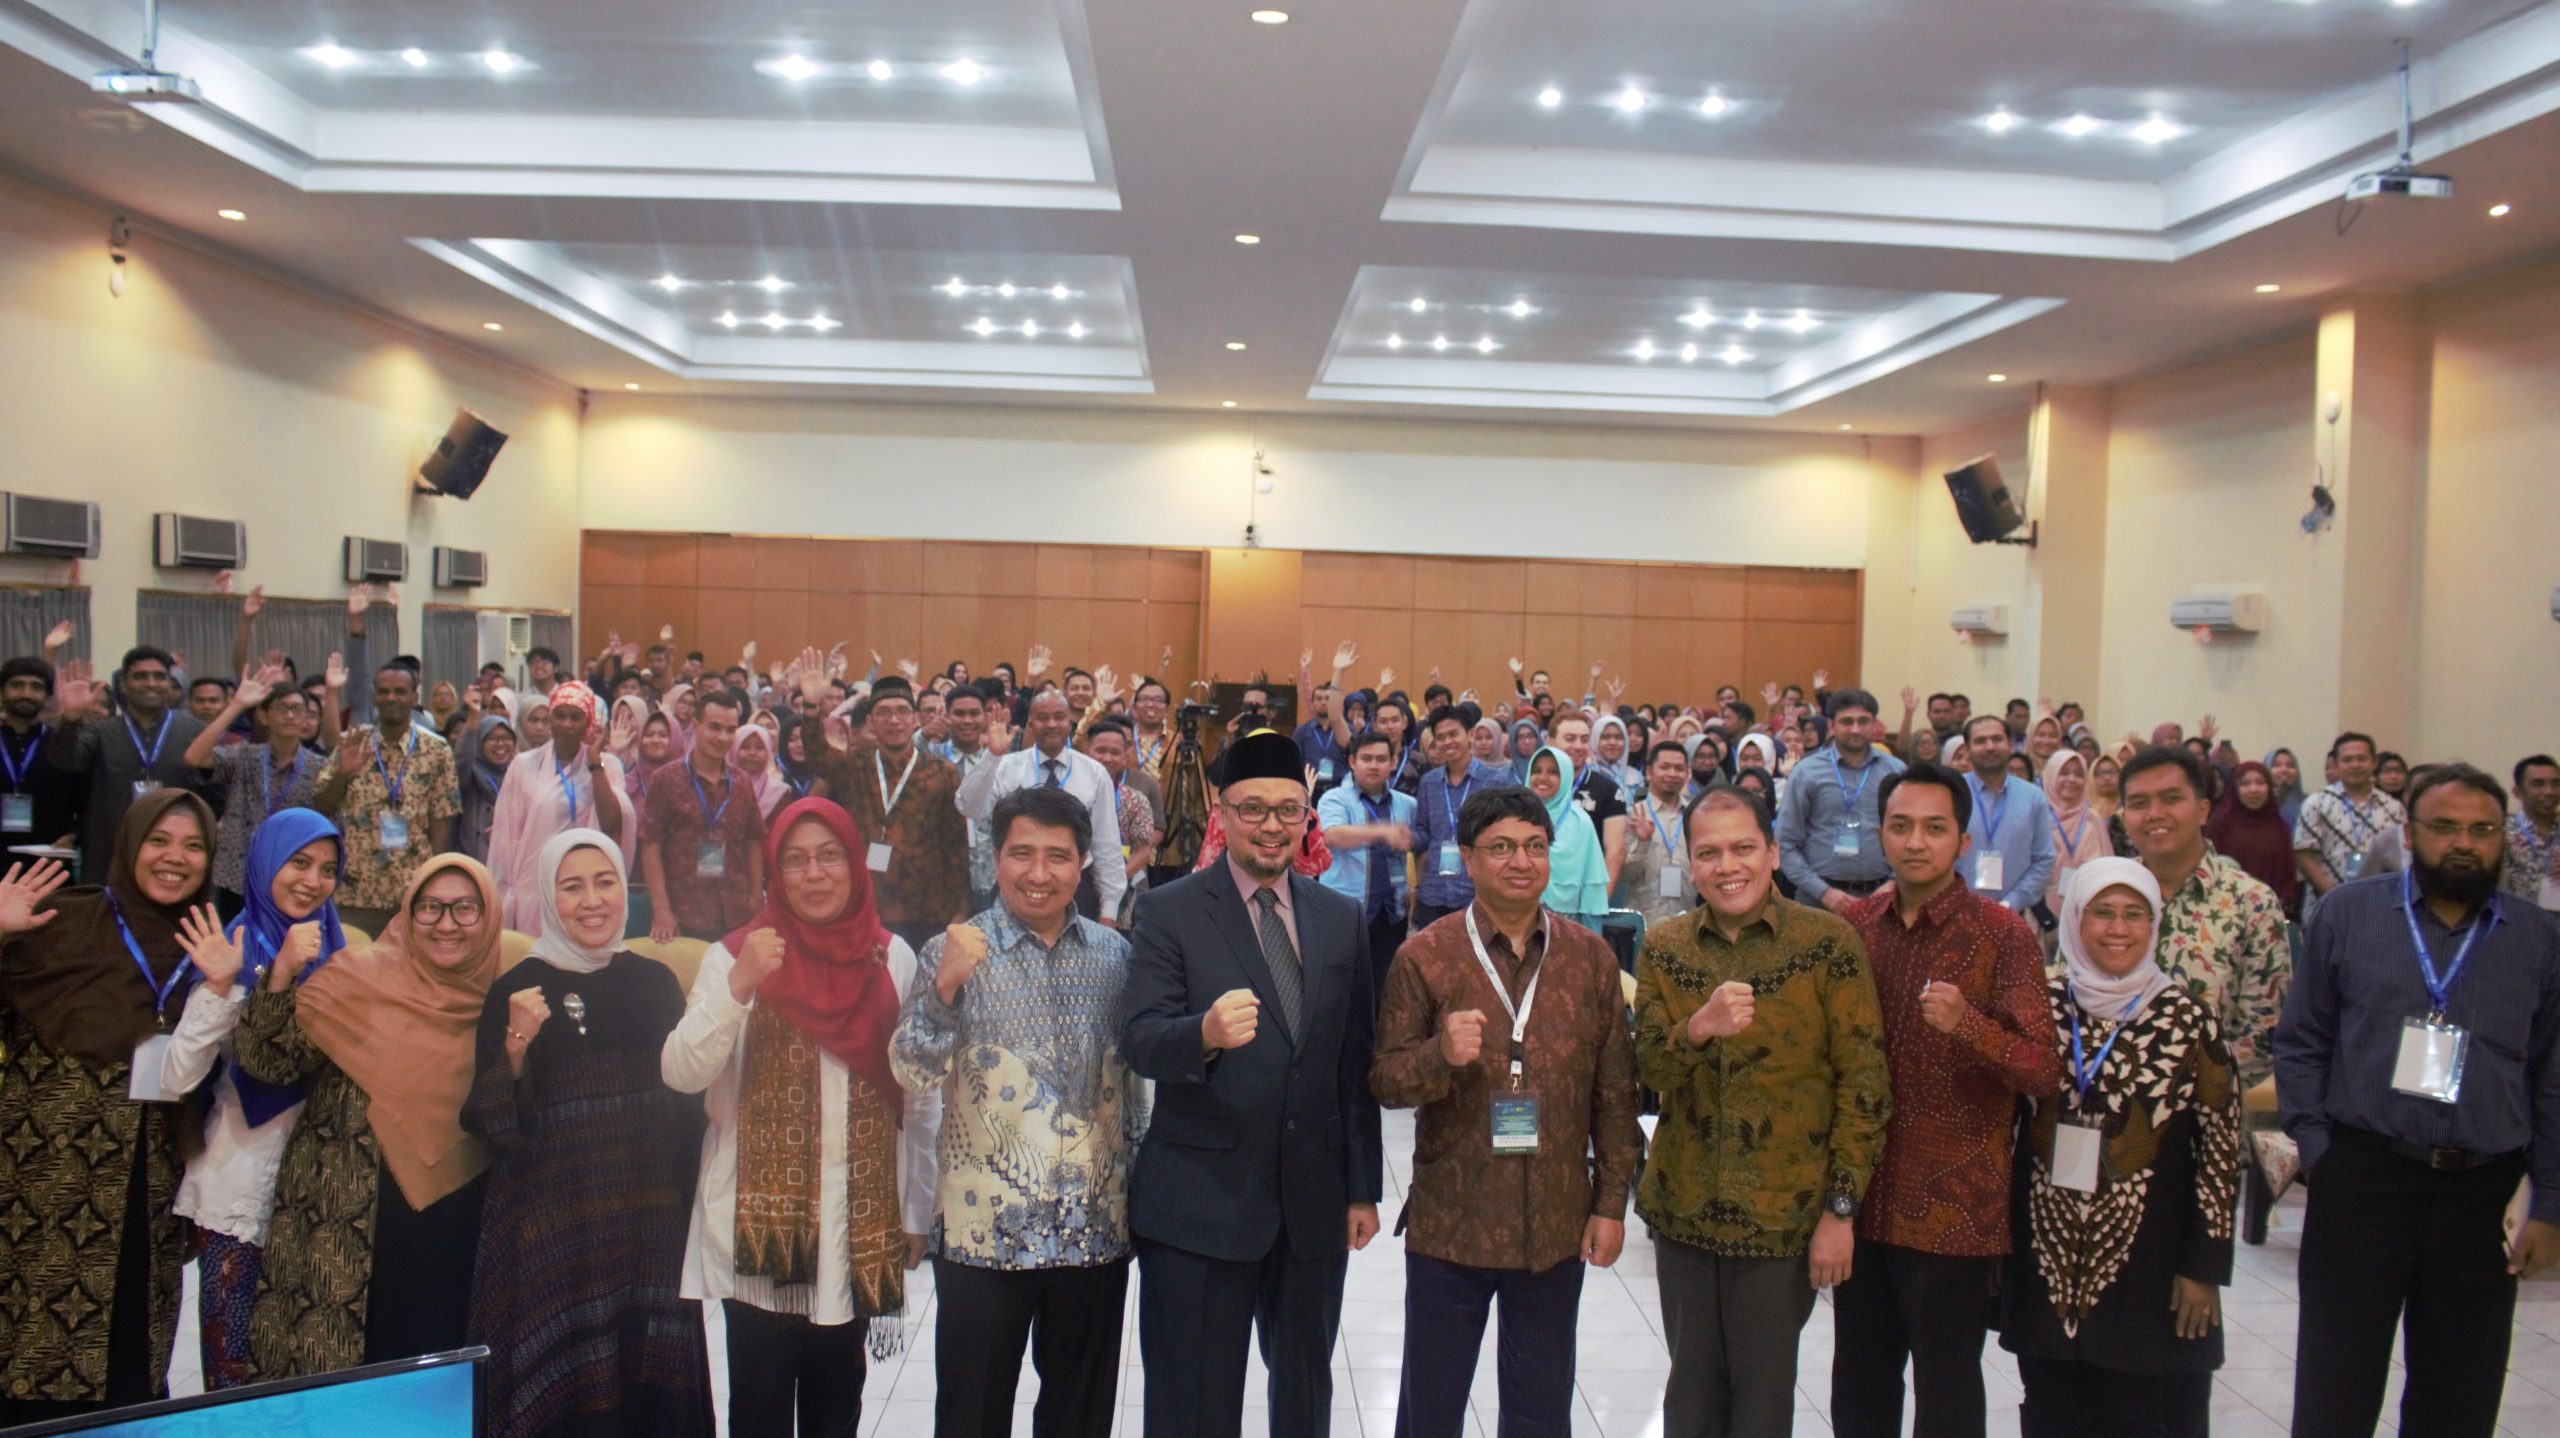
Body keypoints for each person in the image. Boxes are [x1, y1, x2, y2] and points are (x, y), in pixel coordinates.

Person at [2276, 764, 2560, 1438]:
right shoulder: (2351, 913)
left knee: (2458, 1398)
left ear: (2503, 839)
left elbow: (2551, 1078)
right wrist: (2321, 1153)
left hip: (2481, 1193)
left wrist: (2550, 1201)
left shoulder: (2538, 939)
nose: (2464, 843)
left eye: (2482, 830)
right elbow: (2301, 1041)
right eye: (2445, 827)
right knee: (2334, 1392)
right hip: (2364, 1180)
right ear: (2409, 833)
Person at [1118, 730, 1383, 1438]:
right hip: (1200, 1202)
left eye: (1287, 810)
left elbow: (1352, 1065)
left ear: (1306, 817)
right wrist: (1200, 1032)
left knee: (1303, 1401)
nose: (1271, 825)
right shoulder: (1170, 911)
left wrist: (1361, 1187)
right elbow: (1139, 1036)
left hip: (1312, 1206)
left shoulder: (1338, 918)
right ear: (1222, 813)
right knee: (1192, 1405)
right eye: (1253, 809)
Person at [1368, 786, 1642, 1438]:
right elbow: (1385, 1081)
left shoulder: (1590, 959)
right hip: (1451, 1226)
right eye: (1501, 848)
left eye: (1535, 847)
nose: (1521, 861)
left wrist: (1609, 1204)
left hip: (1554, 1224)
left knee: (1541, 1410)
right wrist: (1440, 1054)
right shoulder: (1426, 957)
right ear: (1467, 858)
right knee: (1430, 1409)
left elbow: (1616, 1092)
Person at [663, 800, 938, 1438]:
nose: (814, 875)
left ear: (853, 863)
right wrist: (739, 986)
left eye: (829, 856)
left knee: (836, 1413)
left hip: (856, 1227)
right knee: (756, 1414)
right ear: (775, 873)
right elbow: (681, 1072)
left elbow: (920, 1097)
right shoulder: (734, 956)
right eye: (795, 860)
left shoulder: (891, 958)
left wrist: (917, 1212)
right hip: (756, 1240)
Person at [1632, 785, 1890, 1438]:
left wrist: (1840, 1207)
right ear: (1691, 864)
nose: (1728, 866)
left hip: (1783, 1218)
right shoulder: (1666, 946)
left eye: (1743, 848)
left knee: (1762, 1400)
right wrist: (1698, 1028)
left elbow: (1864, 1086)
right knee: (1689, 1396)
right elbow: (1651, 1072)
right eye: (1709, 853)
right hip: (1685, 1211)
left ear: (1774, 853)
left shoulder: (1827, 944)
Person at [892, 787, 1141, 1438]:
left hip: (1093, 1235)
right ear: (994, 858)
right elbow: (912, 1072)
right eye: (1021, 853)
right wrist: (945, 988)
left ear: (1083, 861)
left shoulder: (1117, 959)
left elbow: (1131, 1094)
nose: (1038, 873)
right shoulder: (954, 951)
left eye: (1057, 856)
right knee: (971, 1416)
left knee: (1079, 1417)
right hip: (982, 1241)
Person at [1834, 763, 2062, 1438]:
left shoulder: (2003, 935)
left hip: (1955, 1210)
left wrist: (1971, 1025)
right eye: (1900, 827)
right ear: (1880, 834)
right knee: (1860, 1384)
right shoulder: (1856, 928)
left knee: (1948, 1392)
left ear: (1962, 841)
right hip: (1863, 1200)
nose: (1915, 843)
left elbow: (2045, 1070)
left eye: (1935, 828)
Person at [467, 830, 712, 1438]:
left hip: (648, 1221)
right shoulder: (517, 988)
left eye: (604, 882)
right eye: (571, 887)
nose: (593, 901)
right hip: (558, 1226)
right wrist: (517, 1042)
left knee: (650, 1389)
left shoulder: (655, 983)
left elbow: (688, 1106)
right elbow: (493, 1123)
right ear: (548, 898)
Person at [223, 855, 504, 1377]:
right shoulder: (354, 976)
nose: (447, 924)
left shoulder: (503, 1001)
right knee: (333, 1387)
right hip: (338, 1225)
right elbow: (268, 1061)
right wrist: (280, 974)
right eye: (431, 908)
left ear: (488, 918)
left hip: (450, 1235)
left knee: (431, 1387)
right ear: (407, 911)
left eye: (466, 909)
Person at [2001, 860, 2240, 1438]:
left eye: (2135, 914)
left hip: (2149, 1263)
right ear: (2076, 919)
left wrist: (2203, 1267)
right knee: (2052, 1408)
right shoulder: (2042, 1007)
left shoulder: (2188, 1019)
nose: (2118, 929)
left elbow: (2220, 1149)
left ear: (2154, 924)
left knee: (2140, 1412)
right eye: (2102, 912)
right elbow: (2001, 1125)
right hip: (2047, 1259)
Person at [0, 792, 213, 1418]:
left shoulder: (205, 941)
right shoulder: (60, 919)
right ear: (129, 843)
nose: (175, 858)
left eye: (194, 846)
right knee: (30, 1351)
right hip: (41, 1185)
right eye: (159, 841)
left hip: (147, 1184)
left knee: (130, 1353)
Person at [162, 808, 349, 1389]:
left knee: (297, 1360)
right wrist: (228, 983)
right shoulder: (234, 944)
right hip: (238, 1184)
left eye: (327, 869)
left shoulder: (338, 950)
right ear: (266, 860)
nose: (312, 881)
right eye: (298, 862)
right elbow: (175, 1077)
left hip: (315, 1194)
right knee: (232, 1368)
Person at [2118, 747, 2291, 1089]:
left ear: (2202, 810)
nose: (2154, 814)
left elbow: (2262, 1034)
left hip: (2208, 1113)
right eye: (2138, 804)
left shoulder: (2251, 903)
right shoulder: (2106, 898)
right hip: (2111, 1105)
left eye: (2170, 798)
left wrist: (2174, 1093)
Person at [812, 678, 970, 955]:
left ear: (915, 719)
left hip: (929, 908)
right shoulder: (856, 765)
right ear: (871, 721)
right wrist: (813, 708)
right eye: (884, 712)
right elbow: (817, 756)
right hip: (869, 905)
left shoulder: (941, 772)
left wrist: (961, 909)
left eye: (902, 711)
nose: (893, 720)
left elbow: (956, 843)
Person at [312, 664, 460, 935]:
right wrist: (342, 773)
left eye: (400, 692)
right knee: (357, 967)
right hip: (356, 890)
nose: (392, 698)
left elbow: (442, 819)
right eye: (384, 692)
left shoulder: (437, 750)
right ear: (374, 697)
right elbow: (322, 804)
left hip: (414, 889)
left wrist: (434, 879)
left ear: (414, 698)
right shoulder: (354, 742)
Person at [958, 690, 1126, 924]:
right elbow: (968, 807)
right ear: (1030, 723)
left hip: (1075, 885)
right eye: (1042, 717)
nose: (1051, 724)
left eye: (1059, 717)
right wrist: (992, 756)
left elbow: (1107, 846)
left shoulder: (1094, 773)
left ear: (1070, 722)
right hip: (1017, 882)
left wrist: (1109, 912)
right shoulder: (1005, 766)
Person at [44, 650, 209, 880]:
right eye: (140, 676)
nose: (151, 683)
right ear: (123, 683)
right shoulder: (102, 731)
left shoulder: (196, 732)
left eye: (159, 677)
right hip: (110, 855)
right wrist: (70, 718)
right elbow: (66, 761)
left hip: (174, 859)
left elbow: (214, 794)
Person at [487, 683, 629, 933]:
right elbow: (505, 836)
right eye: (560, 716)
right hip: (533, 885)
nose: (566, 724)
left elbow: (611, 824)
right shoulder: (523, 765)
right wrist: (504, 892)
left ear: (589, 722)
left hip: (584, 881)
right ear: (550, 718)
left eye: (576, 717)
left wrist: (595, 763)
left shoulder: (609, 765)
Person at [186, 667, 324, 918]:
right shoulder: (245, 755)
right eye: (281, 708)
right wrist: (237, 705)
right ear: (264, 716)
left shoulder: (319, 768)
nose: (290, 715)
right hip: (238, 875)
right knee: (239, 948)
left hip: (292, 876)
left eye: (297, 709)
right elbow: (195, 756)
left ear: (306, 718)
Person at [641, 689, 765, 942]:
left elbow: (753, 840)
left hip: (736, 911)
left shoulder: (741, 781)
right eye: (715, 727)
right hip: (684, 913)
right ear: (696, 726)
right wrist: (661, 909)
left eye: (731, 730)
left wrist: (755, 896)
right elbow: (651, 844)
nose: (723, 737)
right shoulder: (665, 779)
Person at [1775, 688, 1905, 914]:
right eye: (1846, 721)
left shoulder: (1896, 772)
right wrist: (1824, 892)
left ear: (1874, 725)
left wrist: (1894, 883)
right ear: (1832, 726)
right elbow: (1785, 844)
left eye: (1863, 721)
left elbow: (1909, 837)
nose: (1855, 729)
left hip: (1884, 898)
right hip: (1818, 901)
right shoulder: (1807, 773)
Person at [1315, 729, 1417, 991]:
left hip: (1392, 911)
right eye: (1367, 758)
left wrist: (1417, 884)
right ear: (1352, 762)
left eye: (1381, 759)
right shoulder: (1335, 798)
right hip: (1346, 909)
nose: (1374, 765)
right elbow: (1331, 834)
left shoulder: (1407, 804)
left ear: (1393, 763)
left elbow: (1419, 844)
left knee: (1386, 986)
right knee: (1342, 986)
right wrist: (1382, 830)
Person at [1411, 706, 1518, 930]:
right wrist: (1407, 838)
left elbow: (1509, 833)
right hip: (1433, 893)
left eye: (1453, 734)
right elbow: (1423, 832)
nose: (1447, 742)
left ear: (1470, 734)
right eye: (1440, 737)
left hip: (1478, 892)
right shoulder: (1429, 782)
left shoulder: (1496, 781)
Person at [2294, 731, 2406, 917]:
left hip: (2378, 907)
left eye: (2361, 759)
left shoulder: (2394, 808)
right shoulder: (2317, 803)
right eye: (2348, 760)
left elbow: (2402, 858)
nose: (2355, 765)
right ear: (2337, 765)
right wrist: (2335, 895)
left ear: (2374, 763)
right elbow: (2303, 855)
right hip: (2326, 904)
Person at [1956, 715, 2056, 918]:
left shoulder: (2033, 797)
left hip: (2013, 914)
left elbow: (2044, 859)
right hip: (1956, 912)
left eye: (1997, 739)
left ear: (2010, 745)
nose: (1990, 746)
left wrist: (2010, 904)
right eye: (1980, 741)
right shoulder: (1952, 792)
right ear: (1967, 750)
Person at [1524, 747, 1611, 931]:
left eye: (1553, 772)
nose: (1543, 777)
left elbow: (1591, 883)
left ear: (1565, 777)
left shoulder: (1580, 822)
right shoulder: (1517, 818)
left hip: (1567, 927)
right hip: (1519, 920)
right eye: (1537, 770)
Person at [2206, 760, 2301, 918]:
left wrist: (2283, 902)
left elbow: (2289, 875)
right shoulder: (2219, 825)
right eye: (2245, 783)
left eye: (2260, 782)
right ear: (2235, 788)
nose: (2254, 789)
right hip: (2228, 914)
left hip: (2273, 915)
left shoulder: (2279, 827)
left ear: (2269, 788)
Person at [0, 657, 76, 855]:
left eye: (36, 687)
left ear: (47, 695)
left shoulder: (61, 743)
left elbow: (86, 798)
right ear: (2, 692)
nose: (26, 694)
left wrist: (74, 835)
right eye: (17, 685)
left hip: (49, 859)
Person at [1550, 713, 1630, 897]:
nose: (1578, 746)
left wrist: (1600, 900)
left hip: (1587, 894)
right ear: (1551, 742)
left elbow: (1616, 850)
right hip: (1543, 893)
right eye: (1570, 739)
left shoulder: (1608, 789)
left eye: (1584, 740)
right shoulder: (1538, 787)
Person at [1623, 741, 1697, 924]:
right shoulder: (1633, 814)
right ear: (1649, 772)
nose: (1672, 774)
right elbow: (1626, 874)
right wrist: (1642, 842)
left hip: (1689, 919)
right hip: (1645, 920)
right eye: (1664, 767)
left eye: (1679, 768)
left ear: (1687, 774)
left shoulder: (1696, 816)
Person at [2040, 748, 2114, 916]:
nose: (2072, 780)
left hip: (2085, 908)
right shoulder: (2039, 816)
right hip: (2042, 911)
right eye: (2064, 773)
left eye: (2079, 775)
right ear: (2051, 775)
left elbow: (2106, 866)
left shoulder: (2092, 819)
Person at [455, 715, 516, 864]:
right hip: (473, 860)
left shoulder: (520, 773)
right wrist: (471, 722)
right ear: (479, 742)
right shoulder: (471, 774)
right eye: (492, 738)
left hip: (509, 863)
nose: (500, 744)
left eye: (506, 738)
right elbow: (460, 762)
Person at [2503, 753, 2559, 910]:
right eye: (2538, 784)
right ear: (2517, 792)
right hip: (2519, 926)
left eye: (2556, 784)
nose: (2549, 791)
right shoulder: (2502, 833)